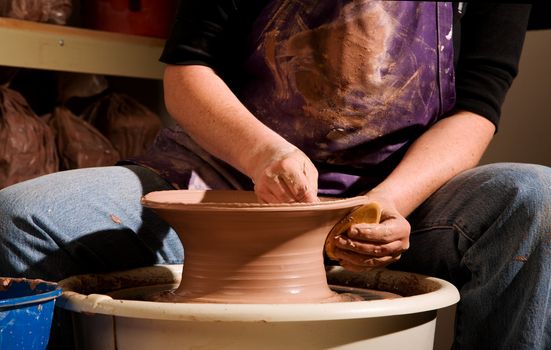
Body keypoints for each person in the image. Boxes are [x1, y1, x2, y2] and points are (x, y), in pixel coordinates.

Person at [0, 1, 549, 349]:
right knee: (21, 219)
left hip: (403, 195)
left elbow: (476, 110)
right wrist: (264, 154)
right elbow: (187, 71)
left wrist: (386, 204)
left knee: (535, 198)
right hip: (224, 176)